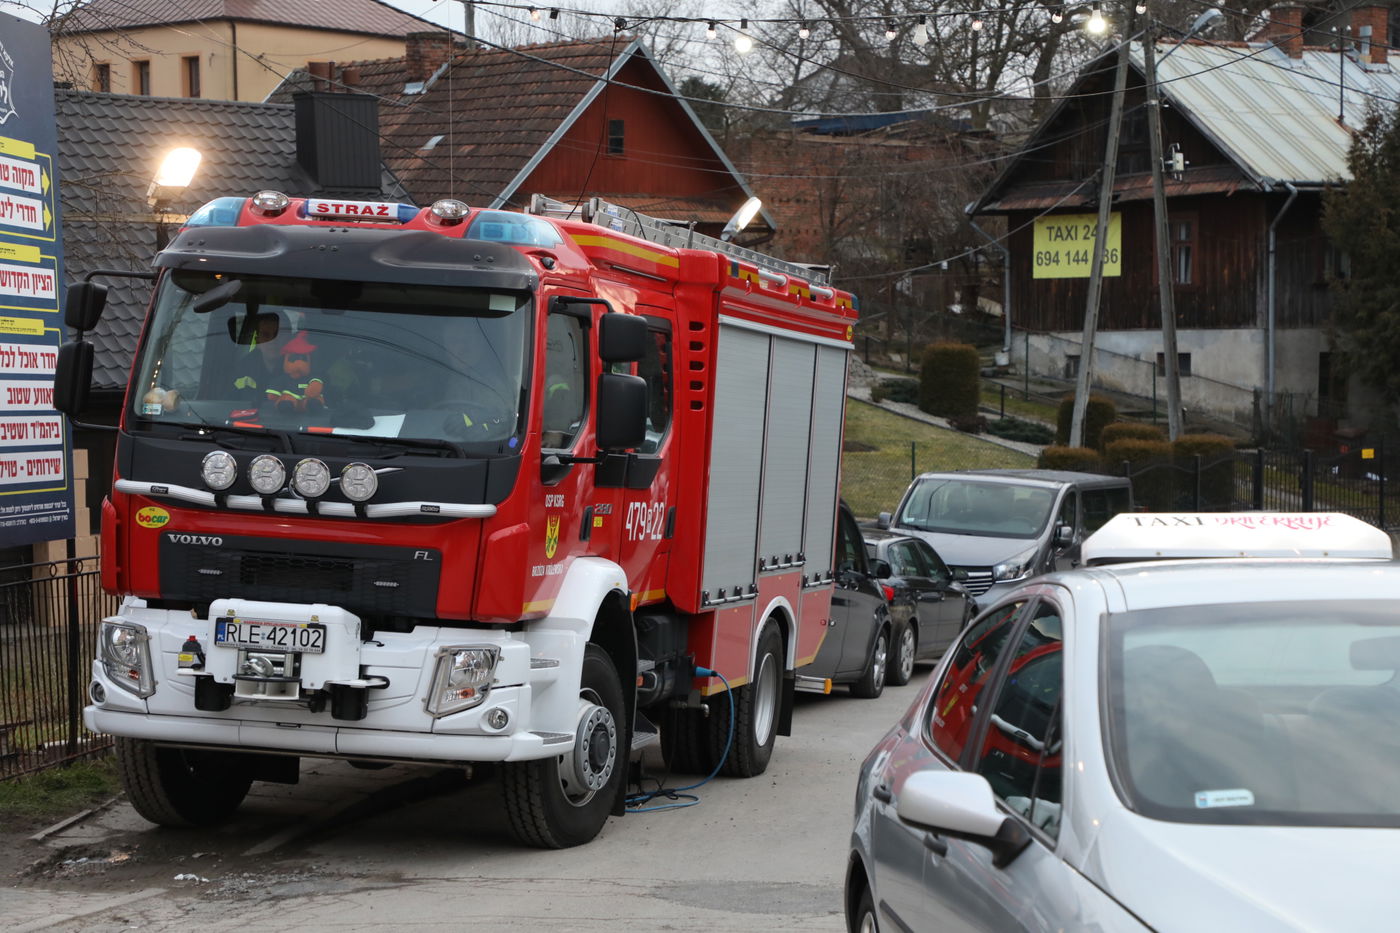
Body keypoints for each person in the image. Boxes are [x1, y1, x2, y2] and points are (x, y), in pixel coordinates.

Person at [232, 310, 289, 401]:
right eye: (266, 334)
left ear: (289, 338)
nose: (272, 341)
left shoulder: (301, 367)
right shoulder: (243, 368)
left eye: (278, 334)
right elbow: (226, 403)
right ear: (257, 341)